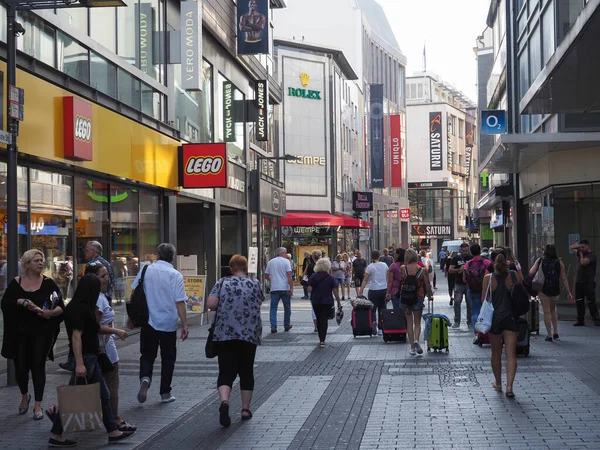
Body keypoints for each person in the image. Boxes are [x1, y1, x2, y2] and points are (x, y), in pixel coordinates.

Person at [47, 274, 135, 447]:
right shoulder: (78, 309)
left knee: (103, 395)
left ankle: (112, 431)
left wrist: (116, 332)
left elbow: (94, 329)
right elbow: (76, 336)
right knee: (72, 398)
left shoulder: (83, 307)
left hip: (90, 358)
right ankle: (57, 434)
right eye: (97, 288)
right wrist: (79, 364)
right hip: (85, 359)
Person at [1, 249, 64, 420]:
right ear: (27, 264)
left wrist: (49, 313)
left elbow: (60, 307)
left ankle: (38, 404)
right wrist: (19, 301)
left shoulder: (49, 283)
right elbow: (5, 303)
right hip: (20, 334)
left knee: (38, 366)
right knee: (20, 369)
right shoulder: (16, 282)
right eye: (36, 260)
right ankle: (24, 396)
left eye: (41, 260)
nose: (40, 263)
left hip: (42, 333)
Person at [207, 255, 263, 427]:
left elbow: (211, 304)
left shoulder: (223, 282)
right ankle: (245, 409)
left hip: (225, 334)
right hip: (249, 334)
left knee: (225, 371)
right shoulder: (255, 283)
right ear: (246, 268)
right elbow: (260, 301)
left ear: (231, 268)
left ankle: (225, 401)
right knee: (246, 371)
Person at [130, 243, 188, 404]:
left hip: (148, 320)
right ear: (172, 257)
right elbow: (179, 302)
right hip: (168, 322)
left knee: (147, 355)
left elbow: (134, 293)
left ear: (158, 255)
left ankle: (145, 378)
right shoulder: (175, 275)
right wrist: (184, 324)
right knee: (168, 358)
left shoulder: (146, 270)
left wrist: (131, 317)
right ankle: (165, 393)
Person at [85, 262, 136, 432]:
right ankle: (114, 420)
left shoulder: (94, 296)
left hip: (101, 349)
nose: (107, 279)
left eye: (107, 275)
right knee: (110, 386)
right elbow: (94, 326)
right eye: (103, 276)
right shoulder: (98, 299)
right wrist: (117, 331)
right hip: (104, 350)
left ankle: (109, 420)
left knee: (94, 387)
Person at [482, 253, 523, 398]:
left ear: (493, 263)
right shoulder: (513, 276)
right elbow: (522, 290)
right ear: (507, 263)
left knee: (495, 353)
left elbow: (484, 300)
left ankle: (498, 383)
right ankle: (509, 387)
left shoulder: (489, 278)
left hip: (494, 320)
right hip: (511, 317)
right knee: (510, 354)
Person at [529, 244, 573, 340]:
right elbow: (564, 278)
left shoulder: (540, 260)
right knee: (553, 310)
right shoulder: (559, 262)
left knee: (546, 312)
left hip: (543, 290)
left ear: (545, 251)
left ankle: (549, 335)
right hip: (555, 290)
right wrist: (569, 292)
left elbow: (531, 272)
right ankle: (556, 332)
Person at [400, 249, 433, 356]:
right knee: (417, 323)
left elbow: (401, 281)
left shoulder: (403, 268)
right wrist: (430, 296)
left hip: (405, 298)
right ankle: (417, 340)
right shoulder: (422, 270)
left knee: (409, 322)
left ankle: (412, 348)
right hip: (418, 296)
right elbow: (427, 285)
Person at [308, 258, 342, 348]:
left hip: (316, 300)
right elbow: (335, 292)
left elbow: (309, 290)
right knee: (324, 319)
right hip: (327, 301)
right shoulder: (331, 278)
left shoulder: (313, 276)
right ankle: (322, 339)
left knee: (318, 318)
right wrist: (338, 302)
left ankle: (320, 337)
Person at [463, 244, 491, 344]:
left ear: (471, 251)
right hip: (486, 291)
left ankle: (477, 334)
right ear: (480, 251)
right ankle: (486, 333)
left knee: (475, 312)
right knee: (486, 312)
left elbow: (464, 279)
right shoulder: (487, 262)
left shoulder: (467, 264)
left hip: (472, 290)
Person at [569, 240, 600, 326]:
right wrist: (579, 247)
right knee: (579, 301)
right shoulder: (581, 252)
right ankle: (580, 320)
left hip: (588, 282)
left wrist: (581, 254)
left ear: (588, 246)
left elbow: (583, 263)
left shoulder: (591, 255)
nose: (581, 249)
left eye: (583, 247)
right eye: (581, 247)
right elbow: (571, 247)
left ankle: (596, 318)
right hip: (579, 282)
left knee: (591, 301)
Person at [359, 250, 389, 334]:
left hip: (373, 290)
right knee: (382, 309)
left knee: (372, 309)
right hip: (383, 289)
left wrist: (361, 291)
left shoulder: (370, 267)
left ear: (372, 257)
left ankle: (373, 323)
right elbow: (388, 278)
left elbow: (365, 280)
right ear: (379, 256)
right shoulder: (384, 265)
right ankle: (381, 328)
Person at [265, 247, 293, 333]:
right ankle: (286, 325)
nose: (286, 255)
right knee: (287, 308)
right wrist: (291, 287)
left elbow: (266, 275)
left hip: (275, 288)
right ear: (282, 253)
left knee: (273, 308)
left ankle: (273, 326)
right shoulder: (286, 262)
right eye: (285, 253)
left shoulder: (271, 262)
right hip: (285, 288)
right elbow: (289, 275)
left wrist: (272, 279)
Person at [449, 243, 472, 329]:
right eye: (463, 251)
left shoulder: (471, 258)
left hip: (469, 284)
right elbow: (450, 270)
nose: (465, 252)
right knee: (457, 302)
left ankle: (470, 322)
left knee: (469, 303)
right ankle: (457, 321)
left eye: (466, 251)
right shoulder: (456, 258)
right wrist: (459, 270)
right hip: (459, 283)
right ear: (460, 250)